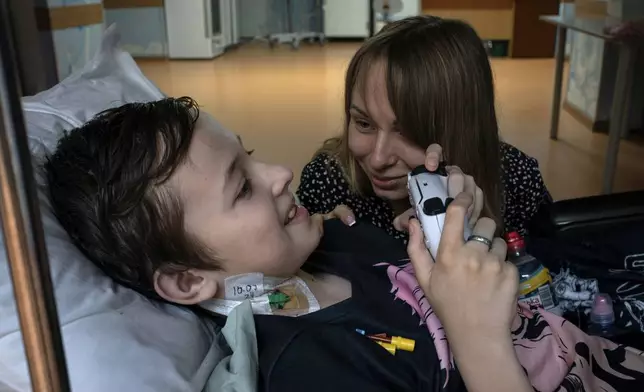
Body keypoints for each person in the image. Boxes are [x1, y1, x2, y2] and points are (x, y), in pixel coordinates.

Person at [45, 98, 644, 391]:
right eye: (242, 188)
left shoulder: (329, 243)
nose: (279, 173)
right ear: (186, 281)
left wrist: (459, 233)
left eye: (250, 157)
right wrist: (478, 338)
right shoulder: (313, 369)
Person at [297, 16, 551, 242]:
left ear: (465, 129)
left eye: (409, 134)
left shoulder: (516, 180)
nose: (378, 159)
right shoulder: (328, 183)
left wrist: (463, 238)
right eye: (364, 124)